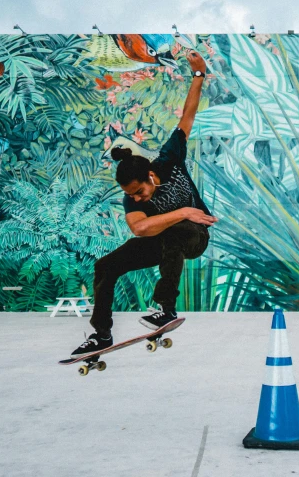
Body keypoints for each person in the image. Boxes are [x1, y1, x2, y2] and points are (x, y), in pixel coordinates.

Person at [71, 50, 218, 358]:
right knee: (105, 266)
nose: (136, 199)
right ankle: (101, 334)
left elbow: (188, 115)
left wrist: (198, 75)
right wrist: (183, 210)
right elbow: (138, 228)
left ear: (151, 175)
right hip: (160, 241)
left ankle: (165, 308)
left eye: (139, 192)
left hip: (194, 237)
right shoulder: (132, 199)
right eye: (131, 195)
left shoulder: (170, 158)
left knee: (175, 232)